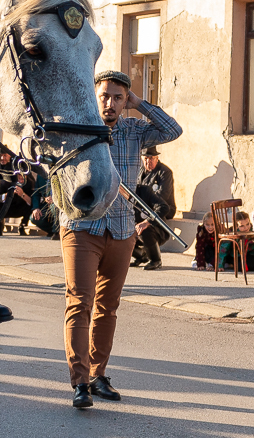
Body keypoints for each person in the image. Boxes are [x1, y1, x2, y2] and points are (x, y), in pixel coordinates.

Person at [61, 70, 182, 408]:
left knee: (107, 307)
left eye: (118, 97)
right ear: (94, 96)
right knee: (80, 303)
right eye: (105, 96)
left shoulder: (134, 131)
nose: (111, 103)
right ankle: (80, 381)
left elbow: (173, 130)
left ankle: (98, 375)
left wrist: (139, 103)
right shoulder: (79, 126)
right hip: (83, 227)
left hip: (122, 229)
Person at [131, 147, 176, 270]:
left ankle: (155, 260)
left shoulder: (164, 172)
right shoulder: (140, 172)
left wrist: (146, 215)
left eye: (151, 158)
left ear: (157, 158)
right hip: (143, 210)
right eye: (146, 158)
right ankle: (141, 255)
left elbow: (162, 196)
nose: (148, 162)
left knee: (145, 228)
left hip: (162, 209)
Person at [0, 151, 35, 236]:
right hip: (5, 208)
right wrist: (5, 196)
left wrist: (23, 195)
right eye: (19, 177)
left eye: (23, 177)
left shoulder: (29, 183)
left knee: (31, 206)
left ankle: (23, 226)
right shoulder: (5, 182)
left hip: (19, 208)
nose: (21, 179)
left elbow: (32, 201)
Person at [29, 168, 59, 239]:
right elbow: (36, 194)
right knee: (34, 218)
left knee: (54, 208)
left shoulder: (59, 172)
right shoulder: (40, 175)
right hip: (46, 204)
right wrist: (36, 208)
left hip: (58, 204)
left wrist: (55, 198)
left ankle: (57, 232)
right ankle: (51, 231)